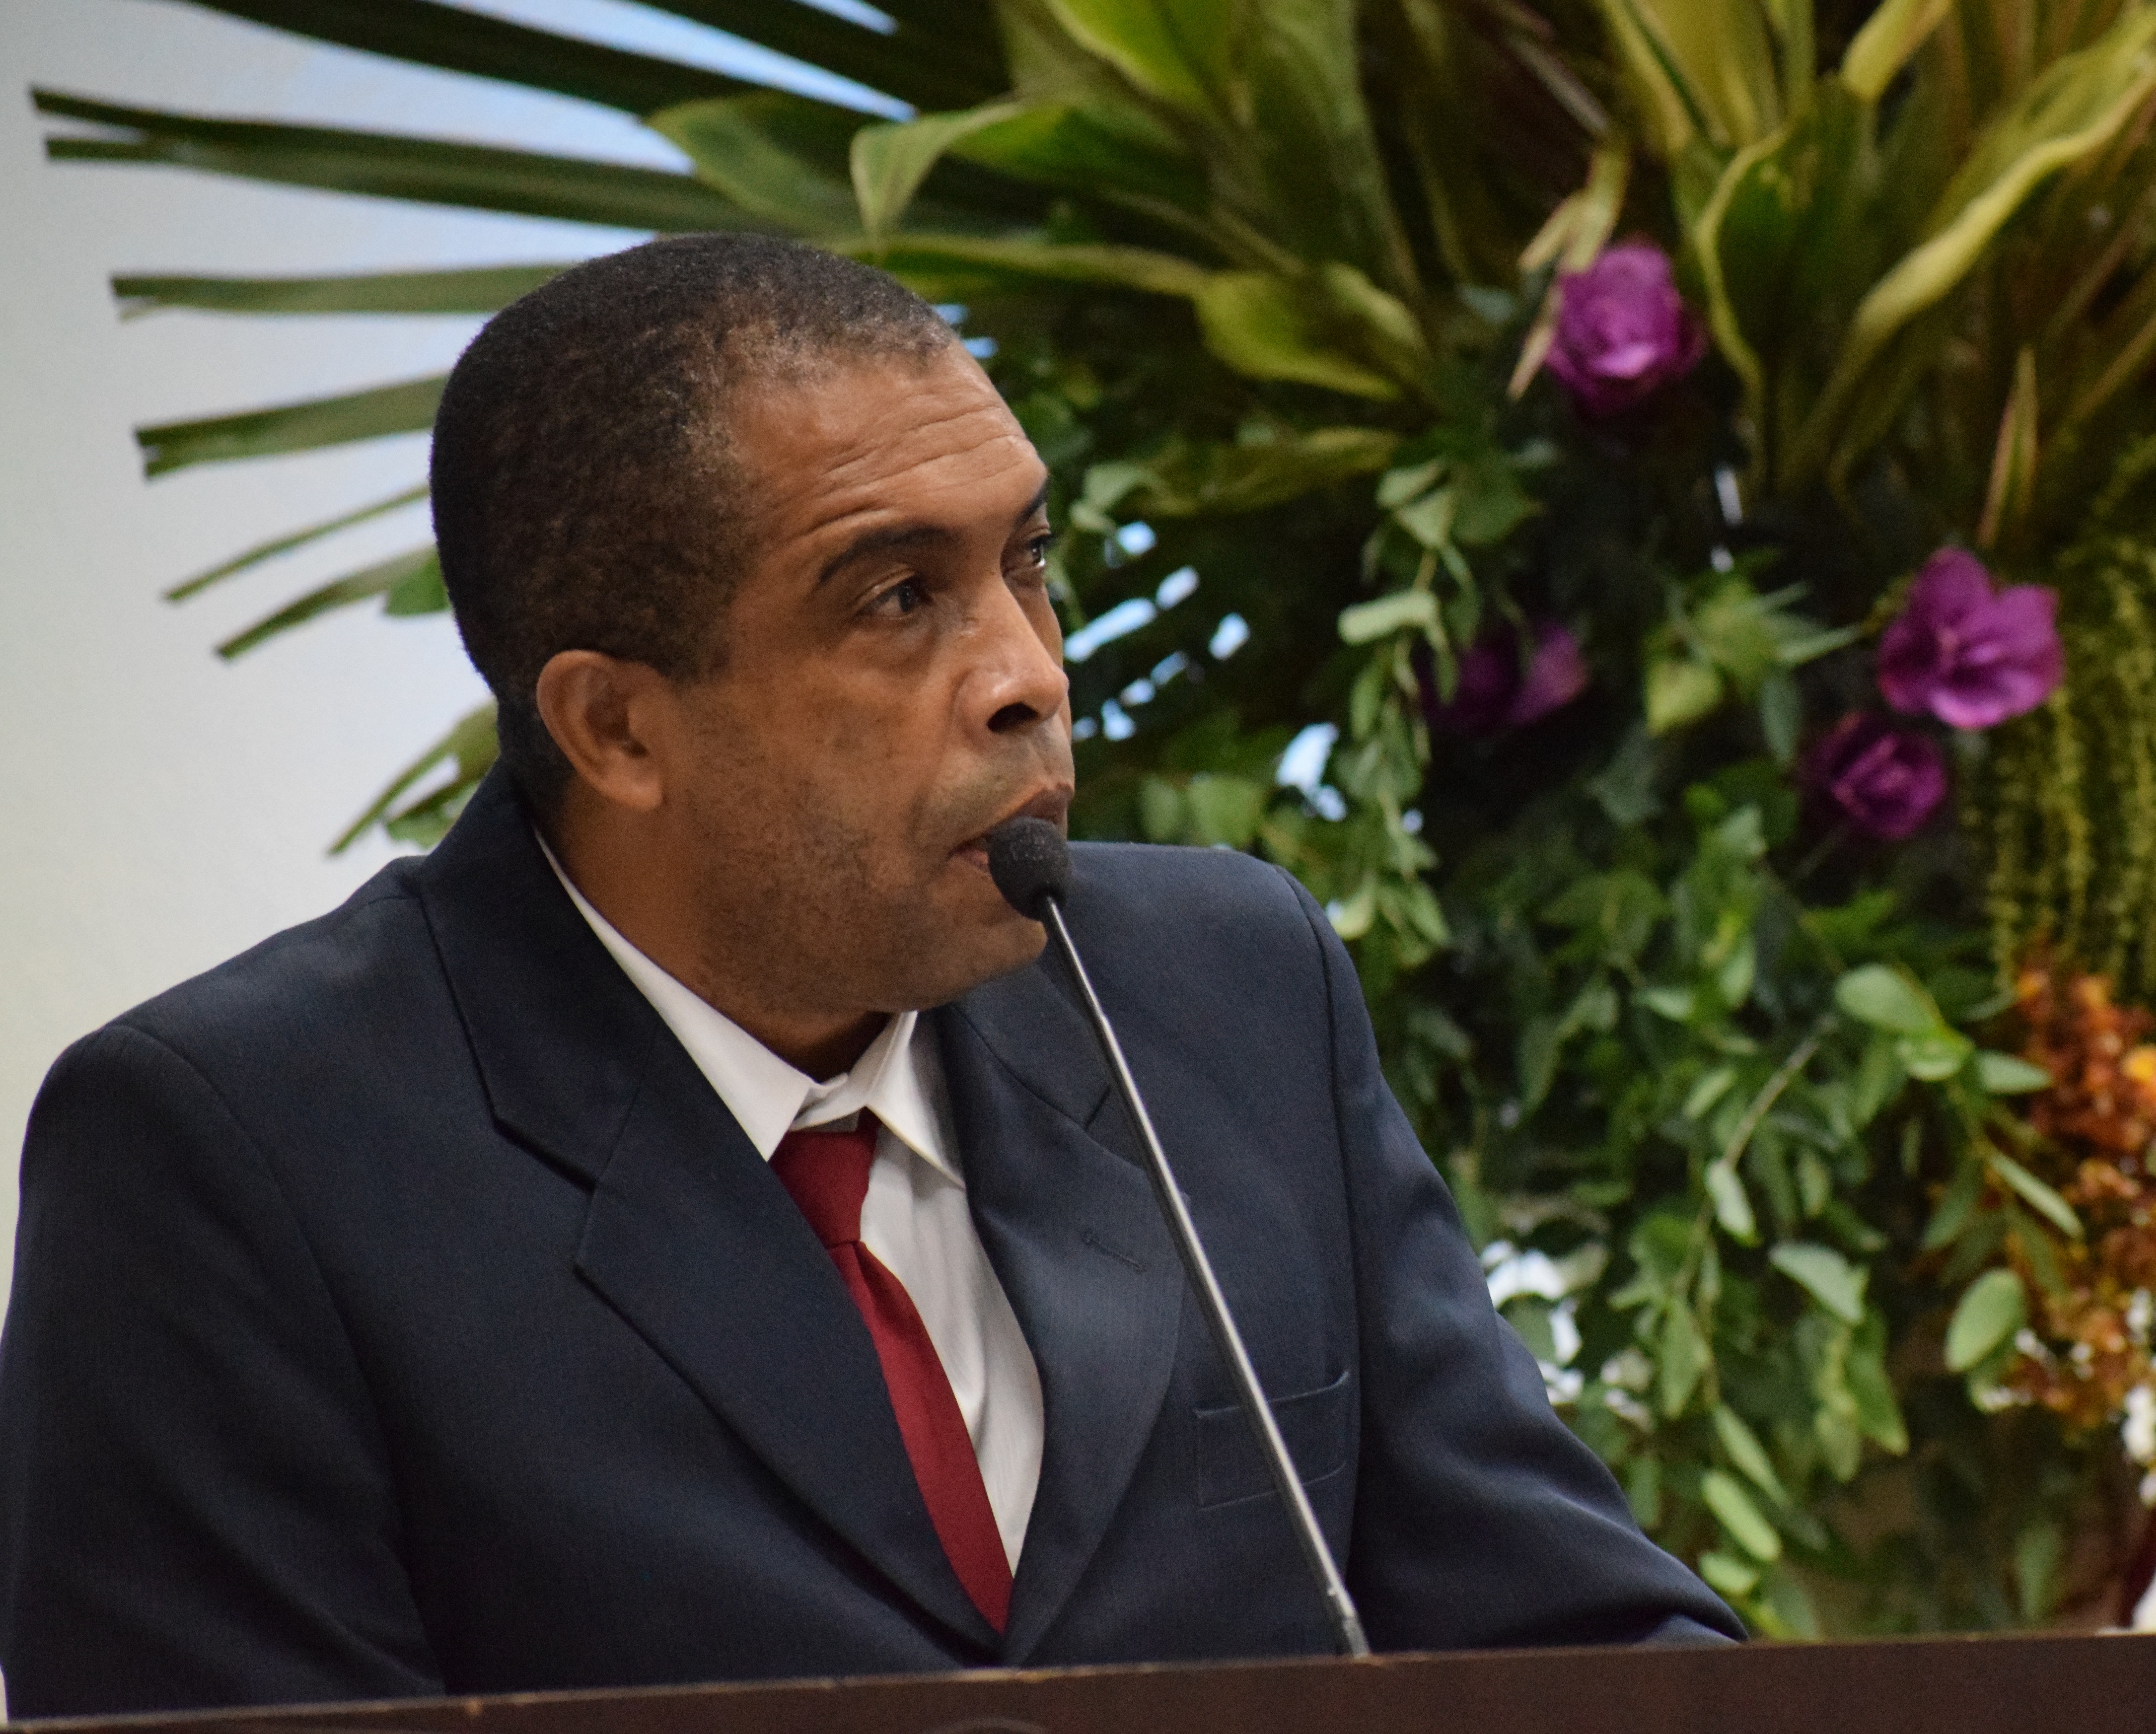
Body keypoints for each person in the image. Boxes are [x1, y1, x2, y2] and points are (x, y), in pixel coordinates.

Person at [0, 236, 1736, 1715]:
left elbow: (1581, 1642)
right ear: (616, 728)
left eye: (1027, 563)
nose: (1027, 674)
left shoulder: (1227, 992)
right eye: (899, 598)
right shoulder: (239, 1161)